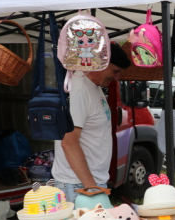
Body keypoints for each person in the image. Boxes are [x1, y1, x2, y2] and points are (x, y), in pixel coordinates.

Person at [52, 42, 131, 204]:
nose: (116, 78)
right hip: (78, 186)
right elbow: (69, 143)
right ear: (101, 63)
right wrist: (91, 188)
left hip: (88, 183)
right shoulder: (79, 89)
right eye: (115, 71)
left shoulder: (94, 86)